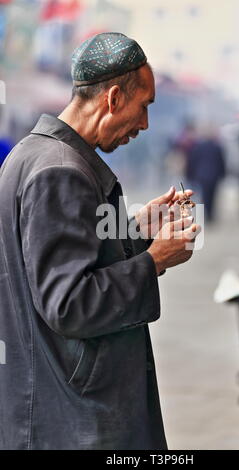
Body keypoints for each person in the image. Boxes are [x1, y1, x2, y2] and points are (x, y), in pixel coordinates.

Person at [0, 32, 200, 450]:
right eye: (143, 106)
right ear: (112, 99)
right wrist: (155, 261)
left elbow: (67, 254)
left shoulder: (32, 154)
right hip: (77, 418)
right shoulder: (60, 170)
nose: (144, 124)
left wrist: (137, 231)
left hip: (53, 406)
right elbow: (68, 303)